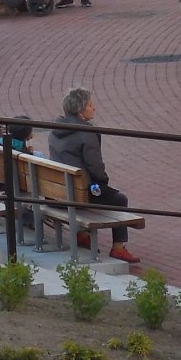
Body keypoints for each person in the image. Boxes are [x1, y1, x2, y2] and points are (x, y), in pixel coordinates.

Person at [48, 87, 139, 263]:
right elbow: (95, 167)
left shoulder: (54, 129)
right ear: (80, 110)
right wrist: (103, 182)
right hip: (77, 193)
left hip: (55, 192)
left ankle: (82, 235)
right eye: (90, 105)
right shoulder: (86, 133)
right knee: (119, 199)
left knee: (86, 187)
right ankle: (118, 248)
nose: (94, 108)